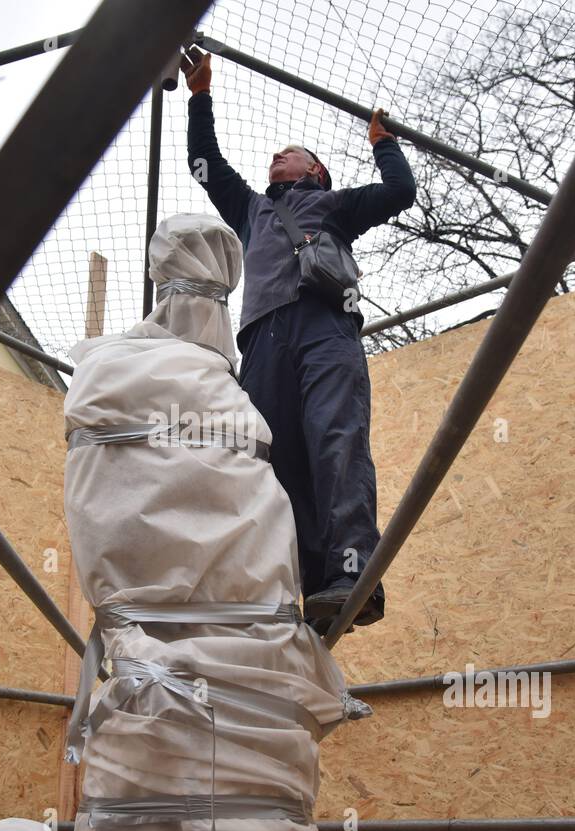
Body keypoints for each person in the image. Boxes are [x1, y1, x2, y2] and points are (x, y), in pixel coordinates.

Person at [180, 46, 416, 632]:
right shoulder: (252, 210)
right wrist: (201, 95)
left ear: (315, 171)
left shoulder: (334, 203)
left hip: (323, 328)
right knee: (272, 461)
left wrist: (383, 143)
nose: (276, 156)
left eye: (290, 154)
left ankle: (351, 573)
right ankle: (301, 586)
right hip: (260, 340)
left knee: (335, 439)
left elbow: (400, 192)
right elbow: (204, 162)